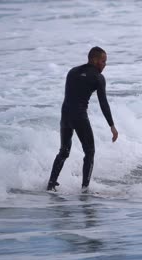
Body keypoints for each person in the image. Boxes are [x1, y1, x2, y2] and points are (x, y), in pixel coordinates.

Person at [47, 47, 119, 192]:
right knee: (90, 151)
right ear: (95, 60)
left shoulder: (72, 71)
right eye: (103, 61)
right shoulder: (98, 78)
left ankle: (51, 184)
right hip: (79, 116)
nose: (105, 65)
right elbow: (103, 103)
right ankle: (85, 189)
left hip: (65, 114)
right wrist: (112, 125)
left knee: (64, 151)